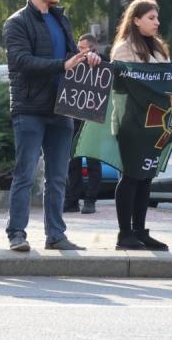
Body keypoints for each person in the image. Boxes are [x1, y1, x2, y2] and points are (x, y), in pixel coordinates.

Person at [3, 0, 100, 252]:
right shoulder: (16, 23)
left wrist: (87, 58)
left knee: (58, 176)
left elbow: (70, 56)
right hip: (30, 109)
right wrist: (62, 65)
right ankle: (16, 234)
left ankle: (55, 234)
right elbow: (20, 61)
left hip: (62, 107)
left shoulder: (61, 19)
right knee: (25, 174)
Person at [110, 0, 170, 251]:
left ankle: (140, 231)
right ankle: (125, 233)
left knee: (146, 177)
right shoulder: (124, 49)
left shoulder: (158, 48)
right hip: (131, 122)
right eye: (151, 18)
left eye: (157, 18)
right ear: (136, 20)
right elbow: (121, 85)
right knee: (131, 177)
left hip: (155, 124)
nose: (157, 22)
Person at [64, 34, 103, 215]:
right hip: (76, 116)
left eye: (82, 48)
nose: (78, 51)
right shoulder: (74, 63)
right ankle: (72, 200)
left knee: (93, 160)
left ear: (92, 49)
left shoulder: (102, 65)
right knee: (74, 160)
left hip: (93, 118)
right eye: (77, 48)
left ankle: (90, 199)